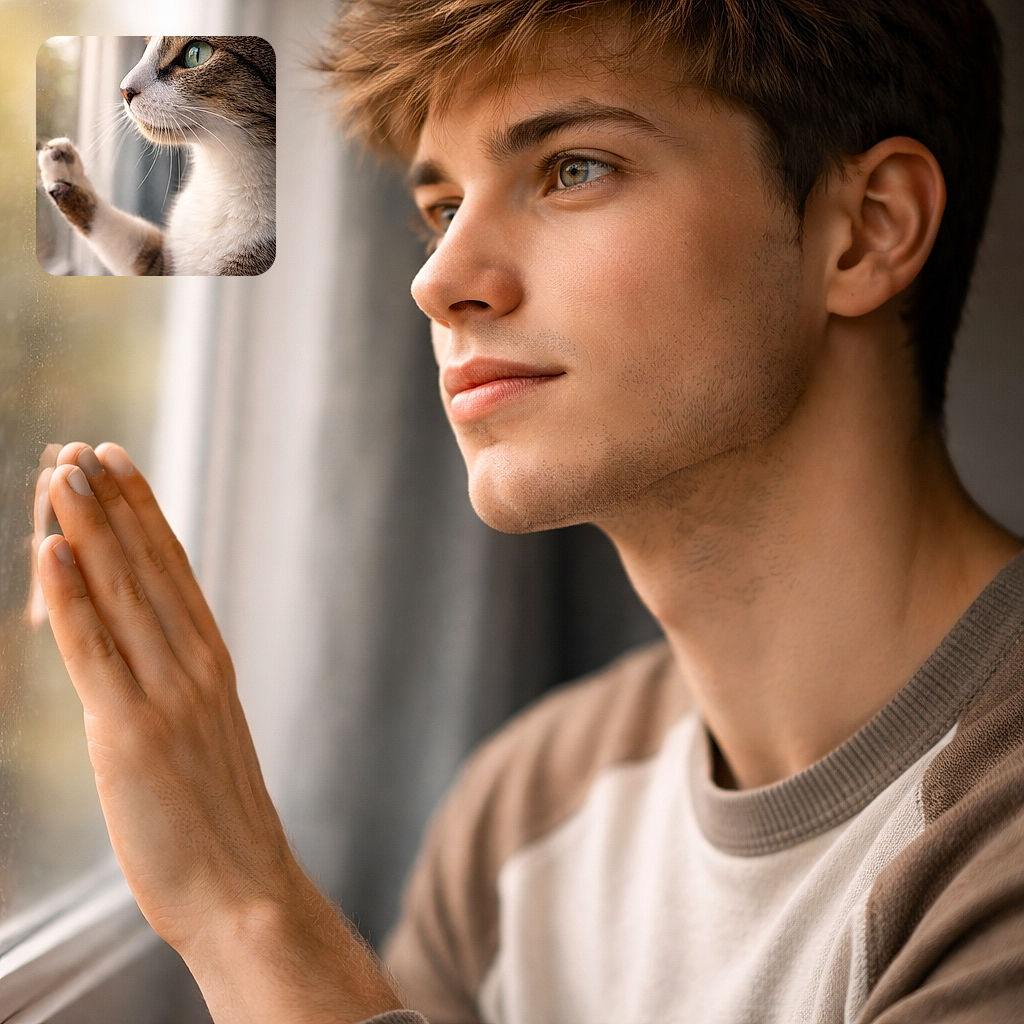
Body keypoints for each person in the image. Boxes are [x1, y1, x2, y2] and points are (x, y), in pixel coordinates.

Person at [35, 0, 1024, 1021]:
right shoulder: (523, 806)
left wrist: (243, 911)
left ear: (867, 232)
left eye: (572, 169)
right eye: (439, 207)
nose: (438, 279)